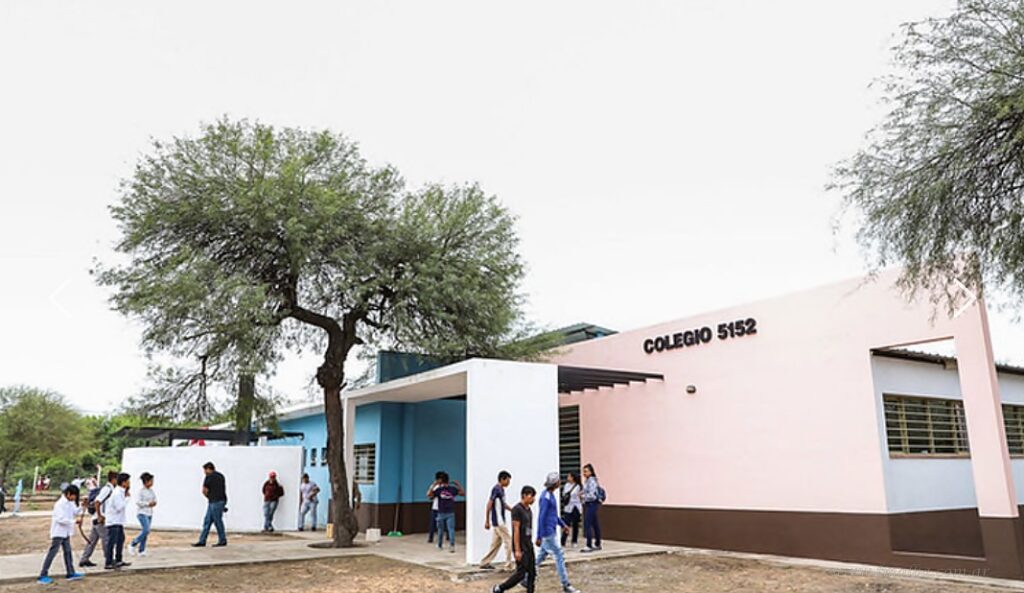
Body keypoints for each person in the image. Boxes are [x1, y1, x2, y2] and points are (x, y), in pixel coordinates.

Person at [535, 473, 581, 593]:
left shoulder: (550, 496)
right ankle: (566, 584)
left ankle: (525, 576)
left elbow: (553, 515)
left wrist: (563, 525)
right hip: (548, 532)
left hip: (550, 530)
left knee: (541, 556)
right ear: (555, 483)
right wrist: (539, 535)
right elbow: (541, 517)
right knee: (559, 555)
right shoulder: (546, 498)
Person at [491, 485, 537, 593]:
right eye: (531, 496)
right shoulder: (517, 510)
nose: (533, 499)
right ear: (524, 495)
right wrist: (517, 550)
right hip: (521, 545)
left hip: (528, 544)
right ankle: (500, 588)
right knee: (521, 573)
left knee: (532, 572)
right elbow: (516, 530)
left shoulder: (529, 510)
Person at [38, 484, 85, 584]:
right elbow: (60, 519)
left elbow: (75, 512)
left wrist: (82, 506)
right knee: (52, 553)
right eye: (74, 496)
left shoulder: (70, 503)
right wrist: (74, 521)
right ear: (68, 494)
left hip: (66, 532)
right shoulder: (59, 504)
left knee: (68, 552)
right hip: (58, 532)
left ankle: (70, 572)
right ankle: (43, 574)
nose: (74, 498)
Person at [79, 471, 117, 568]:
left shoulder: (108, 489)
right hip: (100, 519)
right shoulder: (107, 489)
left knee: (92, 541)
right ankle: (109, 560)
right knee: (106, 540)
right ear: (113, 479)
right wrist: (100, 516)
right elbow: (97, 502)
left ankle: (84, 559)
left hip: (96, 518)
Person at [480, 470, 513, 570]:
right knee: (509, 541)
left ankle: (485, 562)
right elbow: (489, 504)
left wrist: (512, 510)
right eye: (507, 480)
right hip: (499, 521)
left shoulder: (501, 490)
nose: (508, 483)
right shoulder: (496, 489)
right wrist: (487, 520)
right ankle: (508, 564)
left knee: (496, 544)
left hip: (498, 521)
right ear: (502, 479)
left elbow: (503, 504)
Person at [192, 462, 228, 547]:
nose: (204, 472)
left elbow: (204, 490)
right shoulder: (221, 476)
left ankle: (207, 540)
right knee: (215, 521)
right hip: (221, 500)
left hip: (213, 501)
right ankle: (205, 540)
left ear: (208, 469)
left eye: (205, 470)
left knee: (210, 521)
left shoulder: (208, 477)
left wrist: (209, 497)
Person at [428, 472, 464, 553]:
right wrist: (458, 484)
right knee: (451, 529)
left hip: (441, 512)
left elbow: (429, 494)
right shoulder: (453, 489)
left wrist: (434, 485)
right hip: (451, 512)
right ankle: (452, 546)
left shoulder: (439, 490)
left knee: (440, 530)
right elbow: (462, 493)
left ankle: (440, 545)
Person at [103, 473, 131, 570]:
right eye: (128, 481)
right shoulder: (117, 493)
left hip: (118, 521)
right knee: (112, 542)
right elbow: (119, 507)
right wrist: (127, 499)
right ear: (123, 482)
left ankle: (119, 560)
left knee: (120, 540)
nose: (129, 483)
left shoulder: (120, 492)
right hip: (113, 521)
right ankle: (108, 562)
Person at [129, 472, 157, 557]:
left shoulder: (151, 491)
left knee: (146, 532)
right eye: (151, 481)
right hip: (142, 513)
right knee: (146, 530)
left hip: (149, 513)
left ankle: (142, 550)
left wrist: (154, 503)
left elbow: (155, 499)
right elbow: (138, 502)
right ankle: (133, 543)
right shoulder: (141, 492)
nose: (152, 483)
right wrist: (147, 504)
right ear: (146, 482)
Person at [581, 464, 602, 552]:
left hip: (592, 504)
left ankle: (589, 545)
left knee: (587, 524)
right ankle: (597, 543)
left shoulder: (592, 481)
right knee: (595, 524)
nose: (584, 473)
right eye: (583, 471)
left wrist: (583, 496)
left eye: (586, 471)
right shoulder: (587, 481)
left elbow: (592, 495)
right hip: (589, 504)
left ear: (591, 472)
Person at [561, 472, 582, 548]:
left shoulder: (578, 486)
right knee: (566, 524)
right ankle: (563, 541)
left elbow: (579, 495)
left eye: (569, 476)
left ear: (573, 478)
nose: (568, 478)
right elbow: (564, 494)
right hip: (568, 507)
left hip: (576, 507)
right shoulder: (566, 485)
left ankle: (574, 541)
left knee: (575, 524)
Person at [426, 471, 444, 543]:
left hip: (443, 508)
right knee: (432, 524)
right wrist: (433, 485)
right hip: (435, 507)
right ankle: (431, 538)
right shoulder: (434, 486)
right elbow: (429, 495)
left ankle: (448, 537)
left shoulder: (445, 486)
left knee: (444, 523)